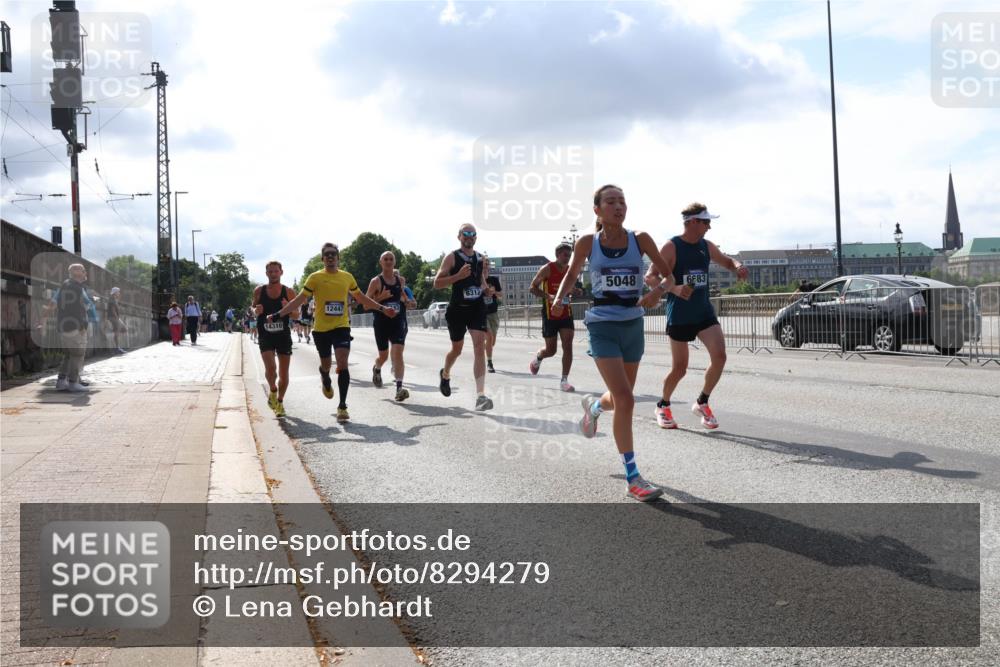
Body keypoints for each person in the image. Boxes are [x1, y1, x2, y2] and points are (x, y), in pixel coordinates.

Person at [549, 185, 674, 502]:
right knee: (626, 399)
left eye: (622, 201)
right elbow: (572, 274)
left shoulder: (640, 239)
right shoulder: (587, 242)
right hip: (602, 324)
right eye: (611, 202)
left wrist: (656, 293)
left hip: (632, 324)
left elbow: (669, 277)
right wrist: (560, 298)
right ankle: (633, 478)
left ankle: (593, 408)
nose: (619, 206)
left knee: (621, 397)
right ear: (597, 210)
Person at [644, 202, 748, 430]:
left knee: (720, 357)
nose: (709, 226)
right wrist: (674, 289)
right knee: (680, 369)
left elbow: (727, 261)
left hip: (703, 312)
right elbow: (650, 276)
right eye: (706, 222)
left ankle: (702, 402)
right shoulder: (672, 247)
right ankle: (663, 405)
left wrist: (738, 266)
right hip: (680, 314)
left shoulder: (706, 246)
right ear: (692, 222)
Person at [269, 242, 397, 423]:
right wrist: (278, 314)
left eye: (333, 254)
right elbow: (299, 299)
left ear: (338, 258)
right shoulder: (315, 278)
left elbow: (361, 297)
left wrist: (382, 308)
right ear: (323, 259)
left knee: (342, 363)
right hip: (321, 329)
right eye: (327, 254)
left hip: (341, 327)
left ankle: (342, 406)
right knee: (327, 364)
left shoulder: (347, 277)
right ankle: (324, 375)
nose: (330, 257)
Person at [433, 223, 493, 411]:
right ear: (459, 236)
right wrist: (457, 276)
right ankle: (445, 373)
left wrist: (486, 289)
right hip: (457, 310)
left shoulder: (480, 258)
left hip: (476, 308)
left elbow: (480, 281)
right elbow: (437, 283)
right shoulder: (451, 257)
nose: (469, 236)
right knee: (457, 349)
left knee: (479, 347)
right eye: (465, 233)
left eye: (472, 234)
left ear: (476, 238)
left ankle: (480, 396)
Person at [529, 242, 584, 392]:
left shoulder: (570, 270)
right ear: (557, 255)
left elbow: (570, 289)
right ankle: (539, 357)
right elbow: (532, 288)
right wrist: (549, 296)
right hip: (550, 314)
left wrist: (575, 291)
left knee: (568, 345)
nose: (568, 258)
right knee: (551, 350)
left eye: (570, 255)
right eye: (565, 255)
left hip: (566, 313)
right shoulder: (547, 269)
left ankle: (564, 380)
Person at [365, 252, 417, 402]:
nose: (388, 261)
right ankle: (377, 368)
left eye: (391, 259)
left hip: (397, 322)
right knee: (384, 356)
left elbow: (403, 297)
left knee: (398, 353)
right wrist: (381, 298)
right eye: (385, 259)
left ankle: (399, 388)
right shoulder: (376, 281)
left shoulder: (400, 280)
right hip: (381, 323)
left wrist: (408, 302)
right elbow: (365, 305)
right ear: (380, 262)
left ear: (395, 262)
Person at [38, 264, 93, 392]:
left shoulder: (65, 285)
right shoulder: (75, 287)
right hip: (74, 327)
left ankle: (62, 381)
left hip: (65, 326)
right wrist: (82, 325)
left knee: (69, 355)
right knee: (77, 354)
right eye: (83, 270)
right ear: (77, 272)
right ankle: (73, 382)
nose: (85, 272)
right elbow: (76, 309)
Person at [252, 261, 297, 417]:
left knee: (284, 374)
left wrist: (287, 308)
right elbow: (253, 308)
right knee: (271, 369)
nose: (273, 274)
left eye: (276, 271)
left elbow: (297, 315)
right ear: (266, 274)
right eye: (270, 271)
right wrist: (255, 310)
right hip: (265, 335)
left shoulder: (289, 292)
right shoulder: (259, 290)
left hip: (283, 336)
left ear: (281, 272)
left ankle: (280, 401)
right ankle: (272, 389)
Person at [482, 257, 503, 373]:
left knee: (492, 341)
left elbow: (501, 294)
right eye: (483, 264)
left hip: (493, 313)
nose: (485, 266)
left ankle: (485, 349)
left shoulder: (494, 280)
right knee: (489, 337)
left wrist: (494, 292)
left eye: (487, 264)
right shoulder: (477, 280)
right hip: (482, 314)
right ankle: (489, 362)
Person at [106, 286, 126, 353]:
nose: (119, 293)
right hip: (113, 317)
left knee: (123, 329)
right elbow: (113, 310)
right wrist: (117, 318)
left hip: (115, 317)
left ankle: (117, 346)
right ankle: (117, 348)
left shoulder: (114, 299)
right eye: (118, 292)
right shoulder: (112, 299)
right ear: (115, 292)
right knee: (117, 332)